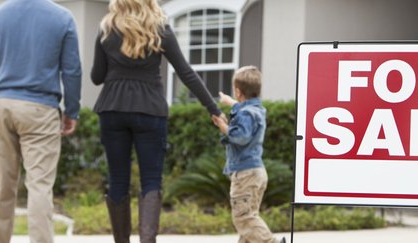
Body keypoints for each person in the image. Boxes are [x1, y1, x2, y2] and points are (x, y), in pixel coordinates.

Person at [90, 0, 223, 242]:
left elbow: (97, 77)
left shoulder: (106, 29)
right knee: (151, 180)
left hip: (112, 108)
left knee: (117, 179)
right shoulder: (160, 29)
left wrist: (118, 67)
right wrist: (213, 108)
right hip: (149, 109)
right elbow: (185, 72)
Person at [0, 0, 82, 242]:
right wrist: (71, 111)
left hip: (3, 106)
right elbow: (72, 70)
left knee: (0, 187)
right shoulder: (62, 17)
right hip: (41, 109)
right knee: (39, 186)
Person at [212, 66, 285, 243]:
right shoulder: (257, 110)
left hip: (245, 173)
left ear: (238, 91)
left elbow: (240, 136)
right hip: (256, 172)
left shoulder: (245, 114)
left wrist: (222, 126)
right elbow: (245, 111)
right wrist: (231, 103)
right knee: (249, 217)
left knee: (243, 218)